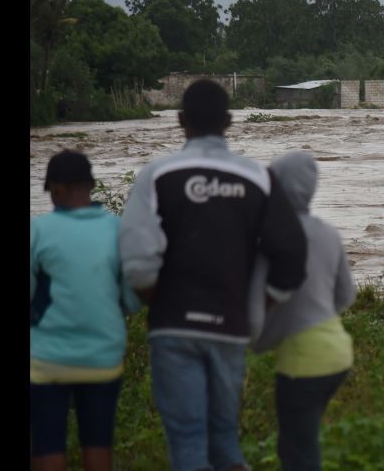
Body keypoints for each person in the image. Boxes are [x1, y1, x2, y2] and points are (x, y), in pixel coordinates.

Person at [119, 79, 308, 471]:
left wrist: (162, 300)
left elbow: (137, 262)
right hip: (230, 326)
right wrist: (260, 305)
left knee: (188, 441)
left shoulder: (157, 175)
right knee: (223, 440)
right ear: (228, 121)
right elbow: (291, 253)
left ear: (179, 119)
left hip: (173, 327)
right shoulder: (258, 178)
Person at [30, 150, 141, 471]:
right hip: (102, 358)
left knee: (48, 446)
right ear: (91, 185)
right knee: (98, 445)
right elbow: (131, 300)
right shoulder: (116, 229)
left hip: (47, 361)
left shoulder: (38, 231)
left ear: (56, 189)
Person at [248, 152, 356, 471]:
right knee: (300, 445)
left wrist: (253, 344)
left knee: (298, 454)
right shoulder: (328, 232)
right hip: (338, 353)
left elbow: (257, 309)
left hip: (302, 361)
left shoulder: (270, 240)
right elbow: (345, 296)